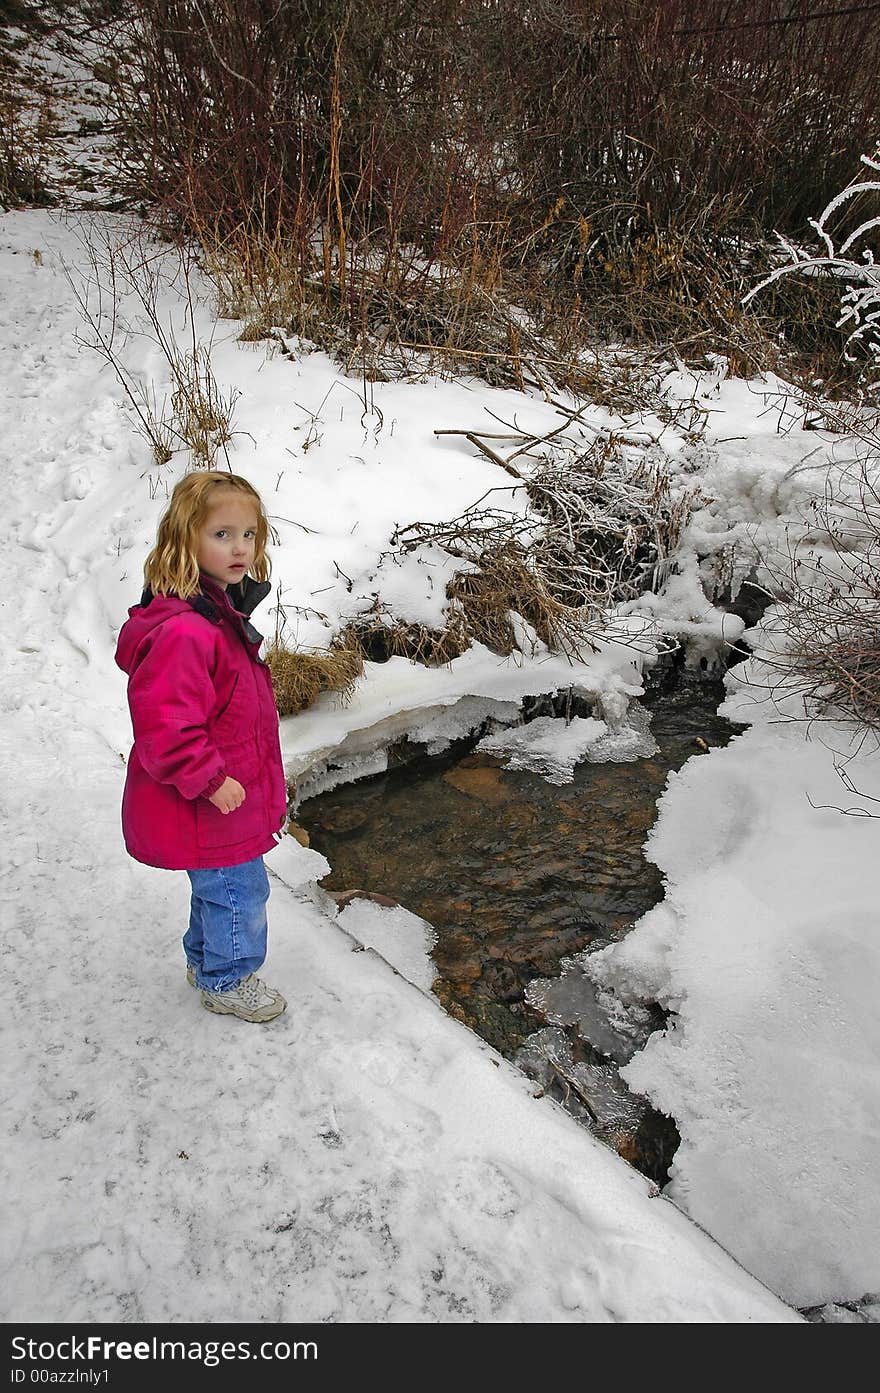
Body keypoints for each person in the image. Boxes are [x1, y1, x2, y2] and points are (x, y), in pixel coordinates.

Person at [115, 470, 289, 1022]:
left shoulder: (217, 611)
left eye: (249, 534)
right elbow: (167, 724)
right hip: (212, 799)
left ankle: (205, 959)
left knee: (216, 884)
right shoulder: (189, 631)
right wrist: (211, 781)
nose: (240, 547)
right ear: (186, 538)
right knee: (238, 890)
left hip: (225, 791)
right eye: (222, 535)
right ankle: (228, 979)